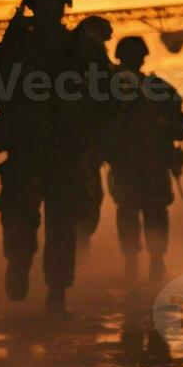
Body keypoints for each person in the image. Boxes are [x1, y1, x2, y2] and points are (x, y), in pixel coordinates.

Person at [0, 0, 109, 318]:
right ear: (35, 7)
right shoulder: (18, 45)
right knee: (21, 217)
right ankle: (20, 265)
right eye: (45, 3)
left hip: (64, 150)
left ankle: (56, 293)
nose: (51, 9)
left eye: (55, 3)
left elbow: (105, 94)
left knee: (62, 224)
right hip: (28, 147)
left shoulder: (81, 48)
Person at [107, 35, 183, 282]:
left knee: (149, 212)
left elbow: (180, 125)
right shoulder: (111, 89)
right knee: (133, 212)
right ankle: (137, 262)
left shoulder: (156, 88)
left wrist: (161, 125)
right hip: (128, 163)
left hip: (150, 162)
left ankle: (153, 261)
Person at [74, 15, 115, 256]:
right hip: (81, 141)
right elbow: (107, 101)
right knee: (85, 199)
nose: (108, 39)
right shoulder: (93, 56)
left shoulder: (78, 52)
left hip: (82, 140)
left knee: (84, 199)